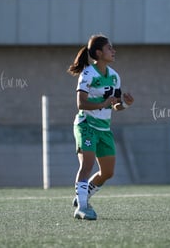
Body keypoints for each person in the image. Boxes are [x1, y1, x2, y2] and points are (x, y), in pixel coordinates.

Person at [67, 34, 134, 220]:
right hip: (86, 125)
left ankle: (82, 196)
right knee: (87, 165)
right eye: (109, 48)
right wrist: (103, 103)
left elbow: (115, 105)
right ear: (98, 52)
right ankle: (82, 208)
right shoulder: (87, 73)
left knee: (108, 173)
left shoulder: (115, 76)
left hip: (104, 129)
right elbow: (81, 103)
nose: (114, 51)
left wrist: (126, 104)